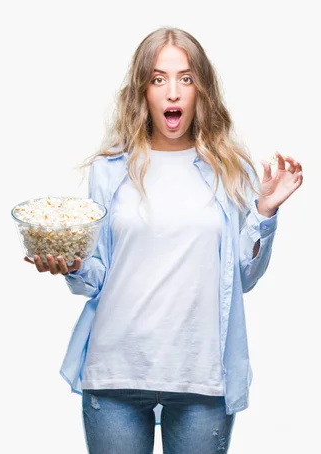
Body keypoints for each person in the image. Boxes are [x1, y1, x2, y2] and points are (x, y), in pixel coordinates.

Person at [24, 26, 303, 454]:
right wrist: (73, 263)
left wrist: (264, 213)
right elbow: (95, 276)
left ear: (201, 91)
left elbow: (243, 277)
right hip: (116, 371)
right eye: (159, 79)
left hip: (201, 375)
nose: (173, 92)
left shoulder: (231, 171)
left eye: (185, 79)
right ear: (143, 91)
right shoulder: (109, 171)